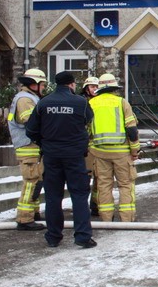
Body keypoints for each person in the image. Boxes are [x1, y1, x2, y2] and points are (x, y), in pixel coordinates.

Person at [25, 71, 96, 248]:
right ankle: (82, 237)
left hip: (51, 156)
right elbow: (89, 119)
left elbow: (31, 130)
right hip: (74, 156)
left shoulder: (44, 102)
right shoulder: (80, 102)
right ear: (71, 84)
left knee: (53, 197)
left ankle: (53, 236)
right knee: (79, 195)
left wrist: (45, 143)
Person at [88, 73, 140, 222]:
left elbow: (86, 130)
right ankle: (127, 218)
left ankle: (106, 218)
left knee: (104, 185)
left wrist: (91, 147)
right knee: (126, 184)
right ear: (114, 88)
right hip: (121, 152)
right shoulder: (121, 102)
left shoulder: (91, 103)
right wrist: (134, 151)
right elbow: (131, 129)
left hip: (99, 152)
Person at [8, 68, 47, 230]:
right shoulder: (25, 99)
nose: (44, 88)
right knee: (31, 182)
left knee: (37, 180)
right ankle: (24, 219)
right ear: (34, 84)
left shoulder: (31, 98)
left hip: (33, 146)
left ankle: (33, 212)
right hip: (28, 147)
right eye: (43, 84)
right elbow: (31, 122)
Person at [80, 76, 100, 216]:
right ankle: (82, 205)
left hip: (99, 146)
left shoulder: (101, 102)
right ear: (86, 89)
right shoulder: (82, 103)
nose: (95, 89)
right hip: (86, 147)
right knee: (85, 177)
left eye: (96, 86)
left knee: (100, 178)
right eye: (92, 87)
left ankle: (96, 204)